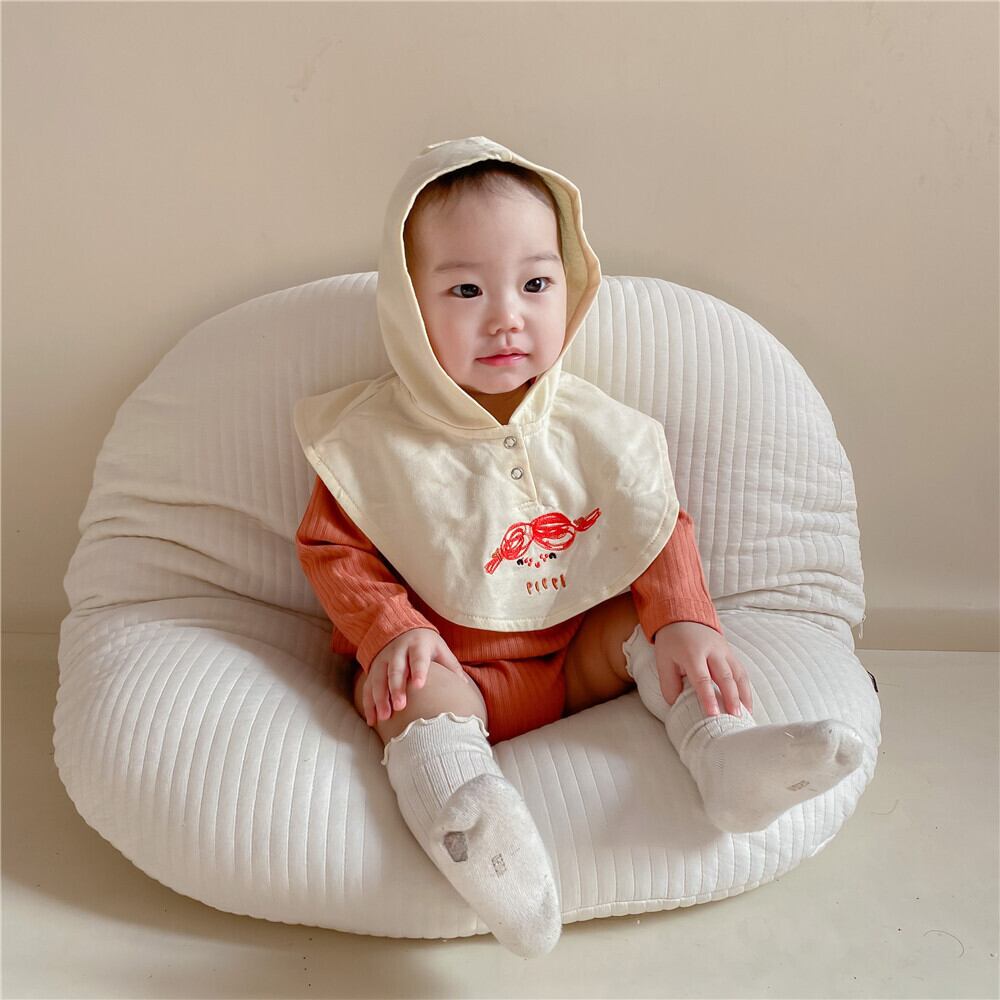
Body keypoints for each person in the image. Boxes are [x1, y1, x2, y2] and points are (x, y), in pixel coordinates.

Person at [293, 136, 864, 958]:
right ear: (409, 306)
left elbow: (654, 525)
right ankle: (475, 826)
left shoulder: (595, 426)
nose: (507, 317)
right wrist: (391, 631)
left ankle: (725, 758)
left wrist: (684, 619)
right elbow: (331, 548)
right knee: (410, 694)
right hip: (452, 665)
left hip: (576, 658)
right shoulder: (372, 439)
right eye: (466, 289)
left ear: (570, 284)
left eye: (535, 284)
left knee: (661, 643)